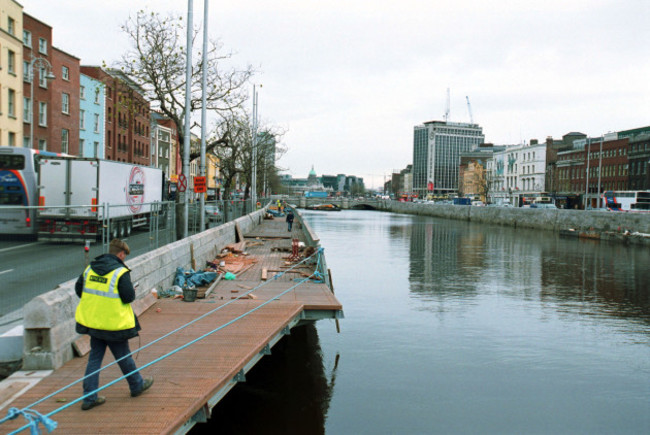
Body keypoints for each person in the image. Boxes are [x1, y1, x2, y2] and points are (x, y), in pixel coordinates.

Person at [75, 238, 153, 410]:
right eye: (125, 256)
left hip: (94, 323)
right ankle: (136, 385)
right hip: (114, 324)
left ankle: (89, 398)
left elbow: (79, 289)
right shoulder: (120, 272)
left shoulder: (90, 269)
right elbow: (128, 297)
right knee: (124, 356)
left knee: (94, 359)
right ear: (121, 254)